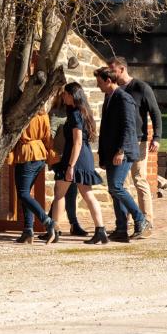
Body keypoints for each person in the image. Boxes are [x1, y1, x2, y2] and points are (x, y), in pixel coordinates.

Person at [44, 82, 108, 245]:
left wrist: (70, 166)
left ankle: (54, 231)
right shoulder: (83, 111)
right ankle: (100, 230)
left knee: (60, 194)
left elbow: (77, 142)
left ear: (72, 95)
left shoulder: (75, 114)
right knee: (87, 194)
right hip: (84, 157)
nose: (63, 96)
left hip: (75, 157)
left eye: (65, 94)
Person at [95, 67, 151, 241]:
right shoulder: (109, 97)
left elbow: (129, 127)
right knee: (114, 190)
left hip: (123, 151)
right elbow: (105, 130)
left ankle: (140, 219)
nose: (98, 86)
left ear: (108, 80)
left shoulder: (123, 98)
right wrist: (103, 156)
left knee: (116, 186)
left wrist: (121, 151)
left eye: (99, 82)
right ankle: (121, 229)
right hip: (111, 152)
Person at [107, 56, 162, 224]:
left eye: (113, 70)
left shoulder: (141, 87)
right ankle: (126, 221)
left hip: (139, 140)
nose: (110, 74)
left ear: (122, 69)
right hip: (120, 142)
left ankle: (147, 219)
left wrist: (157, 137)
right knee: (121, 183)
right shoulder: (114, 90)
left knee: (139, 179)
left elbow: (155, 112)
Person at [9, 102, 58, 243]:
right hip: (40, 154)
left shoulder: (23, 114)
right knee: (26, 195)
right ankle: (28, 231)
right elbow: (47, 137)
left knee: (23, 193)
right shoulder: (43, 114)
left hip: (26, 154)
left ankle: (48, 222)